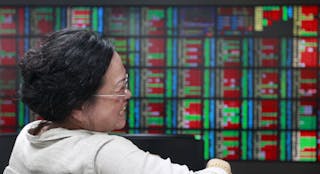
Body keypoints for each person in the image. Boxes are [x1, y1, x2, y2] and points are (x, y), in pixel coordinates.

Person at [4, 28, 232, 174]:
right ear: (78, 106)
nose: (128, 95)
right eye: (120, 87)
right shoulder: (102, 153)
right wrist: (217, 166)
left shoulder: (29, 135)